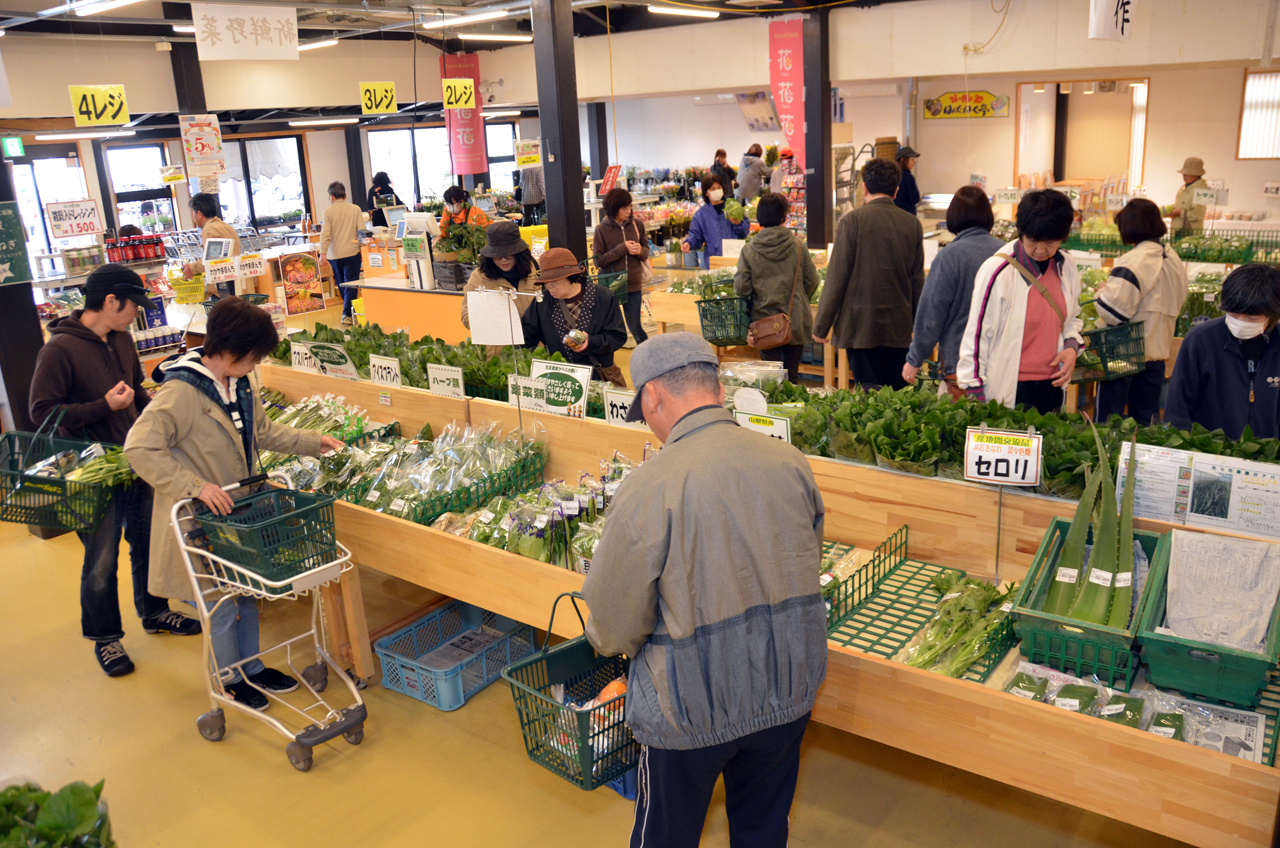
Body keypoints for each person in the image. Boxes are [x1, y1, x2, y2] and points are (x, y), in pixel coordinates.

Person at [582, 332, 827, 848]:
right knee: (762, 828)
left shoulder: (651, 486)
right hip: (786, 689)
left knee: (665, 837)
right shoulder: (790, 463)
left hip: (689, 706)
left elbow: (610, 624)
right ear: (716, 388)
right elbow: (805, 560)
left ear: (653, 397)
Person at [124, 297, 344, 710]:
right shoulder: (182, 392)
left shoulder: (238, 382)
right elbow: (139, 447)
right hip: (199, 519)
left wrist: (315, 443)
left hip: (239, 514)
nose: (257, 364)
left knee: (245, 593)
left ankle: (251, 669)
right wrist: (195, 485)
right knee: (220, 605)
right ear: (229, 351)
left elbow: (261, 432)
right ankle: (228, 679)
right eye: (254, 355)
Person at [29, 265, 201, 677]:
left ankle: (155, 611)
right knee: (101, 558)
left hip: (137, 459)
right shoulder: (59, 350)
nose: (136, 315)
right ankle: (106, 639)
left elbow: (136, 390)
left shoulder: (122, 340)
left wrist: (162, 419)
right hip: (91, 470)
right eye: (133, 307)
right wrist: (105, 407)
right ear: (110, 302)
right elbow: (41, 413)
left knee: (149, 542)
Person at [956, 189, 1083, 414]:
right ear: (1021, 232)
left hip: (1052, 386)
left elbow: (1072, 318)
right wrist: (976, 394)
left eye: (1050, 242)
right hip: (1009, 390)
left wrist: (1072, 348)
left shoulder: (1067, 267)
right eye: (1033, 241)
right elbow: (976, 337)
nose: (1041, 250)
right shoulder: (998, 271)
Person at [813, 157, 925, 390]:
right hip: (899, 328)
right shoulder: (912, 224)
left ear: (863, 187)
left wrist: (821, 326)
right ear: (896, 190)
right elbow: (917, 283)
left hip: (860, 327)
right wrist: (919, 327)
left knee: (868, 397)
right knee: (897, 398)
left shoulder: (852, 221)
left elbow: (837, 277)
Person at [1093, 198, 1189, 425]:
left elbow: (1113, 312)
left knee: (1108, 420)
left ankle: (1106, 459)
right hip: (1157, 351)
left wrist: (1100, 292)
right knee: (1145, 421)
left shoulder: (1134, 259)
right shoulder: (1173, 257)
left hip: (1122, 349)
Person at [903, 187, 1004, 396]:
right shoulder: (1006, 253)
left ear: (954, 217)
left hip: (962, 365)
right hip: (1004, 363)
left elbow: (932, 313)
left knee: (961, 424)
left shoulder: (950, 257)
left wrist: (915, 359)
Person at [1165, 264, 1280, 440]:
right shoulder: (1201, 340)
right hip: (1210, 451)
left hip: (1267, 457)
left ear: (1273, 314)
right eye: (1234, 314)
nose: (1241, 322)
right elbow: (1178, 406)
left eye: (1252, 318)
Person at [734, 193, 821, 382]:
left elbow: (742, 288)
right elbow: (812, 280)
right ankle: (794, 410)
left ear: (760, 217)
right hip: (795, 320)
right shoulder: (798, 245)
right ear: (784, 217)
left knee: (770, 379)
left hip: (764, 323)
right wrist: (796, 296)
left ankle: (773, 410)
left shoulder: (749, 250)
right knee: (792, 374)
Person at [520, 247, 627, 385]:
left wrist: (592, 342)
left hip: (597, 377)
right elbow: (527, 337)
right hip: (560, 380)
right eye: (546, 282)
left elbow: (617, 336)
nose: (549, 286)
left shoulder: (603, 297)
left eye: (555, 281)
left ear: (570, 276)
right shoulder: (543, 301)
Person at [460, 219, 540, 352]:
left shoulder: (534, 271)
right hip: (498, 354)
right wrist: (492, 317)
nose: (503, 260)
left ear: (519, 253)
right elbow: (466, 317)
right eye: (497, 255)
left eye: (508, 255)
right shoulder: (479, 277)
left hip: (535, 349)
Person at [592, 187, 651, 348]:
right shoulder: (601, 230)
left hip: (633, 284)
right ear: (613, 208)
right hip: (610, 285)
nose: (628, 211)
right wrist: (622, 249)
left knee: (635, 326)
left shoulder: (637, 225)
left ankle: (648, 357)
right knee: (609, 328)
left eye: (630, 207)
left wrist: (640, 251)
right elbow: (598, 261)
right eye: (624, 208)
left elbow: (646, 251)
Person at [319, 181, 366, 327]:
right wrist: (362, 248)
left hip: (334, 255)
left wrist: (323, 254)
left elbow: (325, 234)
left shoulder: (327, 212)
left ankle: (347, 313)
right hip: (352, 252)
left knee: (342, 284)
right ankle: (348, 313)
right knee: (351, 284)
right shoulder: (355, 209)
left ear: (331, 197)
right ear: (345, 195)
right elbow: (362, 231)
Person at [682, 176, 748, 270]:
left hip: (734, 258)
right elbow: (695, 235)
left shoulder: (733, 207)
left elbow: (745, 231)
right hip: (713, 261)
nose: (716, 191)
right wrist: (689, 243)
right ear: (706, 192)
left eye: (719, 188)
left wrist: (738, 223)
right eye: (712, 189)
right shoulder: (701, 214)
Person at [182, 193, 241, 294]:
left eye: (193, 213)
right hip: (236, 283)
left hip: (224, 288)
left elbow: (212, 261)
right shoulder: (224, 226)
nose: (193, 217)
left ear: (199, 214)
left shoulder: (209, 230)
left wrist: (191, 267)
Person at [1170, 157, 1209, 235]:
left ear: (1197, 174)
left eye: (1188, 173)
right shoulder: (1184, 187)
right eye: (1184, 173)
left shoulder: (1202, 190)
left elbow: (1198, 215)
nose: (1184, 176)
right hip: (1178, 231)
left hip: (1190, 234)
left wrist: (1180, 213)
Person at [893, 146, 922, 216]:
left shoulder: (891, 175)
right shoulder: (908, 177)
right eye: (911, 159)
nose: (914, 162)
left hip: (894, 214)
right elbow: (915, 199)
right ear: (903, 160)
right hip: (907, 214)